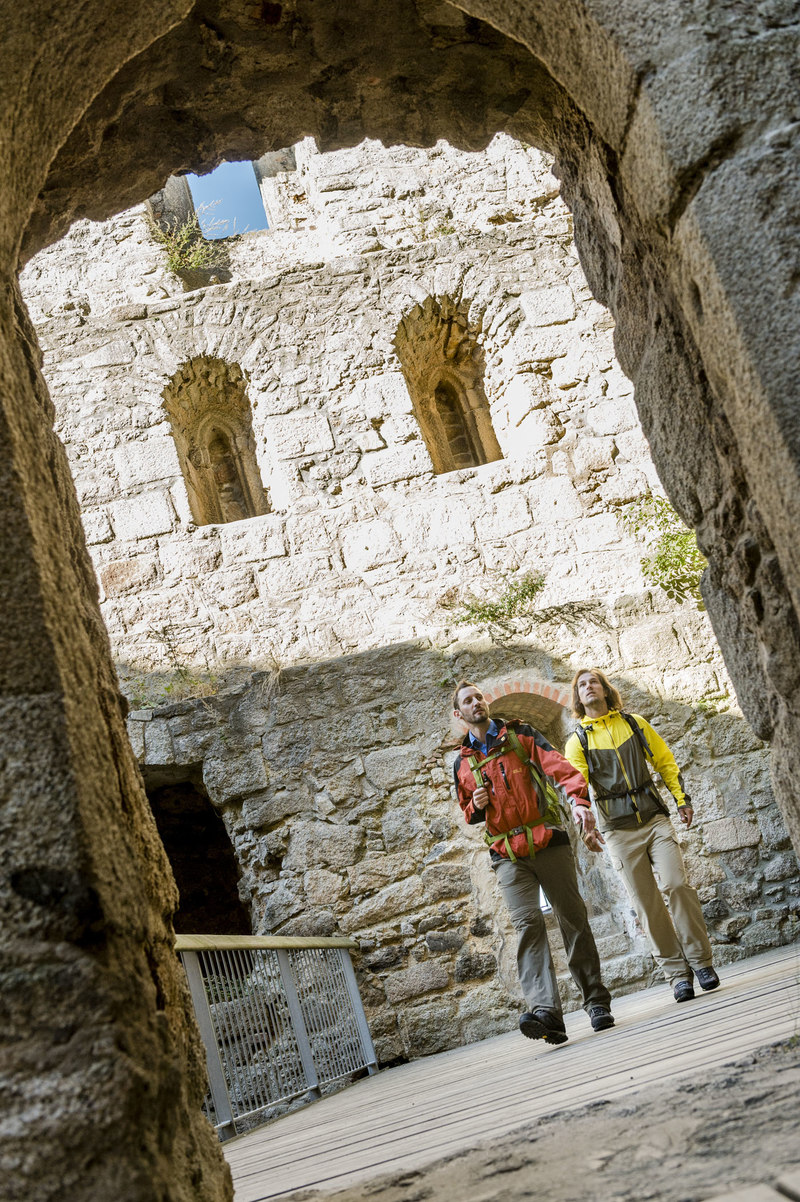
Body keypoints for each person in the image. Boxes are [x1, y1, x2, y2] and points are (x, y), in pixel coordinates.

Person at [452, 680, 614, 1045]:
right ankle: (547, 1013)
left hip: (546, 840)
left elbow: (563, 771)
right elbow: (468, 813)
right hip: (506, 854)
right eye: (468, 700)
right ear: (458, 713)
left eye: (479, 696)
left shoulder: (522, 734)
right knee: (527, 926)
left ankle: (596, 1001)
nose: (477, 702)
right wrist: (474, 806)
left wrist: (581, 804)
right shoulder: (461, 763)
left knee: (572, 918)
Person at [564, 668, 720, 1003]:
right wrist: (584, 822)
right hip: (617, 832)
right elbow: (575, 786)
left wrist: (681, 799)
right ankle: (678, 975)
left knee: (677, 885)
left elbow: (664, 762)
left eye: (593, 682)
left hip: (654, 819)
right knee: (647, 905)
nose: (588, 687)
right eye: (581, 685)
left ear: (605, 690)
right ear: (578, 698)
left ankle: (701, 962)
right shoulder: (578, 741)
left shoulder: (634, 723)